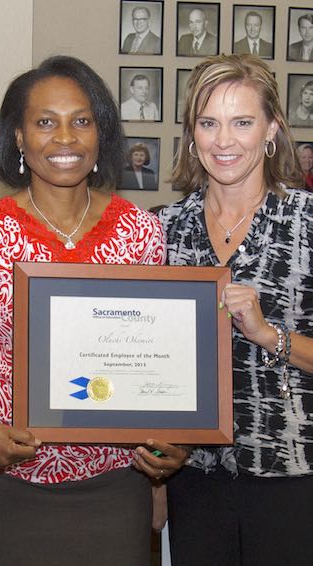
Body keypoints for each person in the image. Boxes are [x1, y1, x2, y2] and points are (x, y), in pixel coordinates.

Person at [0, 55, 189, 566]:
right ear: (19, 139)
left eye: (81, 121)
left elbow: (160, 363)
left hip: (115, 484)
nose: (65, 138)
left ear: (101, 135)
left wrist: (172, 443)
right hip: (9, 483)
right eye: (45, 122)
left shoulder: (141, 233)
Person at [160, 53, 313, 566]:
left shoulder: (307, 224)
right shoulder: (162, 230)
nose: (224, 141)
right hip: (195, 475)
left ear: (272, 129)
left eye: (242, 122)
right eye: (209, 123)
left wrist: (270, 335)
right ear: (191, 133)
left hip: (293, 473)